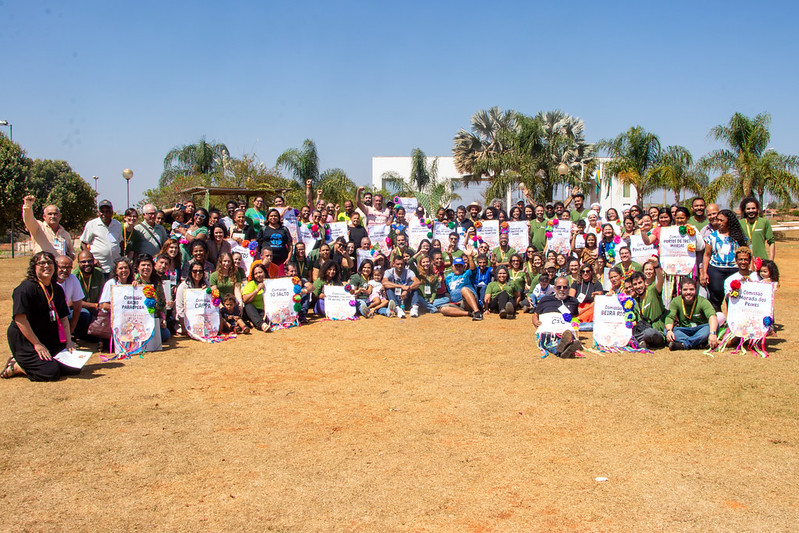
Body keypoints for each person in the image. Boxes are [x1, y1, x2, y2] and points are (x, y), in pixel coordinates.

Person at [3, 252, 79, 381]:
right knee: (50, 373)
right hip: (27, 340)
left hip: (48, 338)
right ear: (34, 267)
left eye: (49, 263)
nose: (46, 266)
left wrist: (69, 342)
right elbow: (20, 320)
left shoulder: (57, 289)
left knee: (74, 367)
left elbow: (63, 319)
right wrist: (37, 344)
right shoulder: (25, 289)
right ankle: (16, 365)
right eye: (41, 263)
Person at [701, 209, 748, 311]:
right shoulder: (712, 237)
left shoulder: (739, 236)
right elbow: (707, 255)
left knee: (734, 296)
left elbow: (747, 252)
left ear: (729, 221)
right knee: (715, 297)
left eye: (722, 220)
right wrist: (704, 272)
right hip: (716, 270)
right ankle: (718, 321)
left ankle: (732, 321)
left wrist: (749, 271)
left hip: (735, 270)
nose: (718, 222)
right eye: (718, 220)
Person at [531, 276, 582, 358]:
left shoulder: (573, 301)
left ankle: (562, 348)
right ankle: (564, 348)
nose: (562, 289)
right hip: (548, 331)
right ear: (554, 288)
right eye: (559, 287)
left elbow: (574, 318)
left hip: (564, 332)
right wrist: (536, 321)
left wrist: (575, 327)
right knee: (547, 338)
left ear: (568, 288)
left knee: (566, 336)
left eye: (565, 287)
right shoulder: (545, 300)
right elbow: (535, 315)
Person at [665, 278, 720, 351]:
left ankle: (684, 344)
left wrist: (712, 334)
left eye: (691, 289)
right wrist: (669, 331)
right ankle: (698, 344)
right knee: (666, 330)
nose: (688, 292)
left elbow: (712, 316)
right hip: (684, 330)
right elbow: (670, 317)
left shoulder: (702, 301)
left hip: (699, 329)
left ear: (696, 290)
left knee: (713, 327)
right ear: (680, 290)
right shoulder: (676, 301)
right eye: (685, 290)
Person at [133, 254, 170, 342]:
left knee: (165, 334)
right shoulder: (133, 281)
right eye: (143, 265)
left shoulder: (157, 282)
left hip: (154, 318)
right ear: (138, 267)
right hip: (137, 320)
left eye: (148, 265)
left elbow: (162, 302)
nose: (146, 267)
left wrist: (163, 319)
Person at [80, 199, 122, 275]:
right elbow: (83, 244)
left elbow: (120, 243)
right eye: (102, 211)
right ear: (98, 212)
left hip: (114, 267)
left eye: (107, 211)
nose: (104, 214)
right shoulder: (91, 224)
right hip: (99, 267)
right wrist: (92, 259)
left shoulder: (117, 225)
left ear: (112, 212)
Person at [72, 250, 105, 341]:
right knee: (84, 313)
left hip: (96, 307)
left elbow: (102, 294)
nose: (87, 264)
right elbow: (72, 302)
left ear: (94, 261)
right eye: (83, 262)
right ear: (78, 263)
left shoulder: (99, 273)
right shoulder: (74, 276)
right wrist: (94, 306)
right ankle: (80, 335)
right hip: (80, 308)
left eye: (89, 261)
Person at [629, 270, 666, 348]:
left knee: (650, 333)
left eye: (640, 283)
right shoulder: (635, 302)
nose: (638, 286)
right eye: (635, 284)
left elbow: (660, 280)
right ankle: (642, 342)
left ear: (645, 282)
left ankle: (636, 341)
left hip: (656, 332)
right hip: (642, 331)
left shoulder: (652, 291)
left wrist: (656, 266)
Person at [440, 253, 483, 320]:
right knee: (443, 309)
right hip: (458, 304)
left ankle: (477, 312)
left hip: (470, 301)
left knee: (464, 289)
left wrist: (470, 256)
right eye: (456, 266)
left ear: (464, 267)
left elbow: (473, 269)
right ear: (452, 267)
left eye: (460, 266)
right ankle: (470, 313)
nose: (458, 268)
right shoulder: (448, 277)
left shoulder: (467, 274)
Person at [175, 262, 210, 334]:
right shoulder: (183, 286)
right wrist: (184, 325)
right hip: (186, 320)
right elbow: (179, 307)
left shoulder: (206, 284)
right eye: (195, 271)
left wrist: (205, 293)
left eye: (200, 271)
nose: (198, 273)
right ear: (190, 272)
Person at [55, 255, 84, 336]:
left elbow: (78, 305)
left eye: (68, 268)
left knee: (84, 315)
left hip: (63, 312)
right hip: (49, 314)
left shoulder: (73, 279)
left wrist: (71, 329)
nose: (65, 270)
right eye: (62, 267)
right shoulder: (49, 280)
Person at [739, 197, 775, 261]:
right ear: (744, 210)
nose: (751, 211)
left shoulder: (764, 222)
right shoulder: (740, 223)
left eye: (753, 208)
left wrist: (771, 260)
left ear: (757, 209)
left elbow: (771, 242)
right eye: (748, 209)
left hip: (762, 260)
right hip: (745, 261)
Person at [241, 262, 270, 332]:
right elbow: (245, 299)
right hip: (254, 311)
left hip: (267, 311)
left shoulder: (270, 283)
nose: (258, 275)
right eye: (256, 274)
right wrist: (257, 289)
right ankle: (261, 324)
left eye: (260, 272)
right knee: (248, 305)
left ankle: (256, 322)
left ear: (265, 272)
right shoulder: (251, 284)